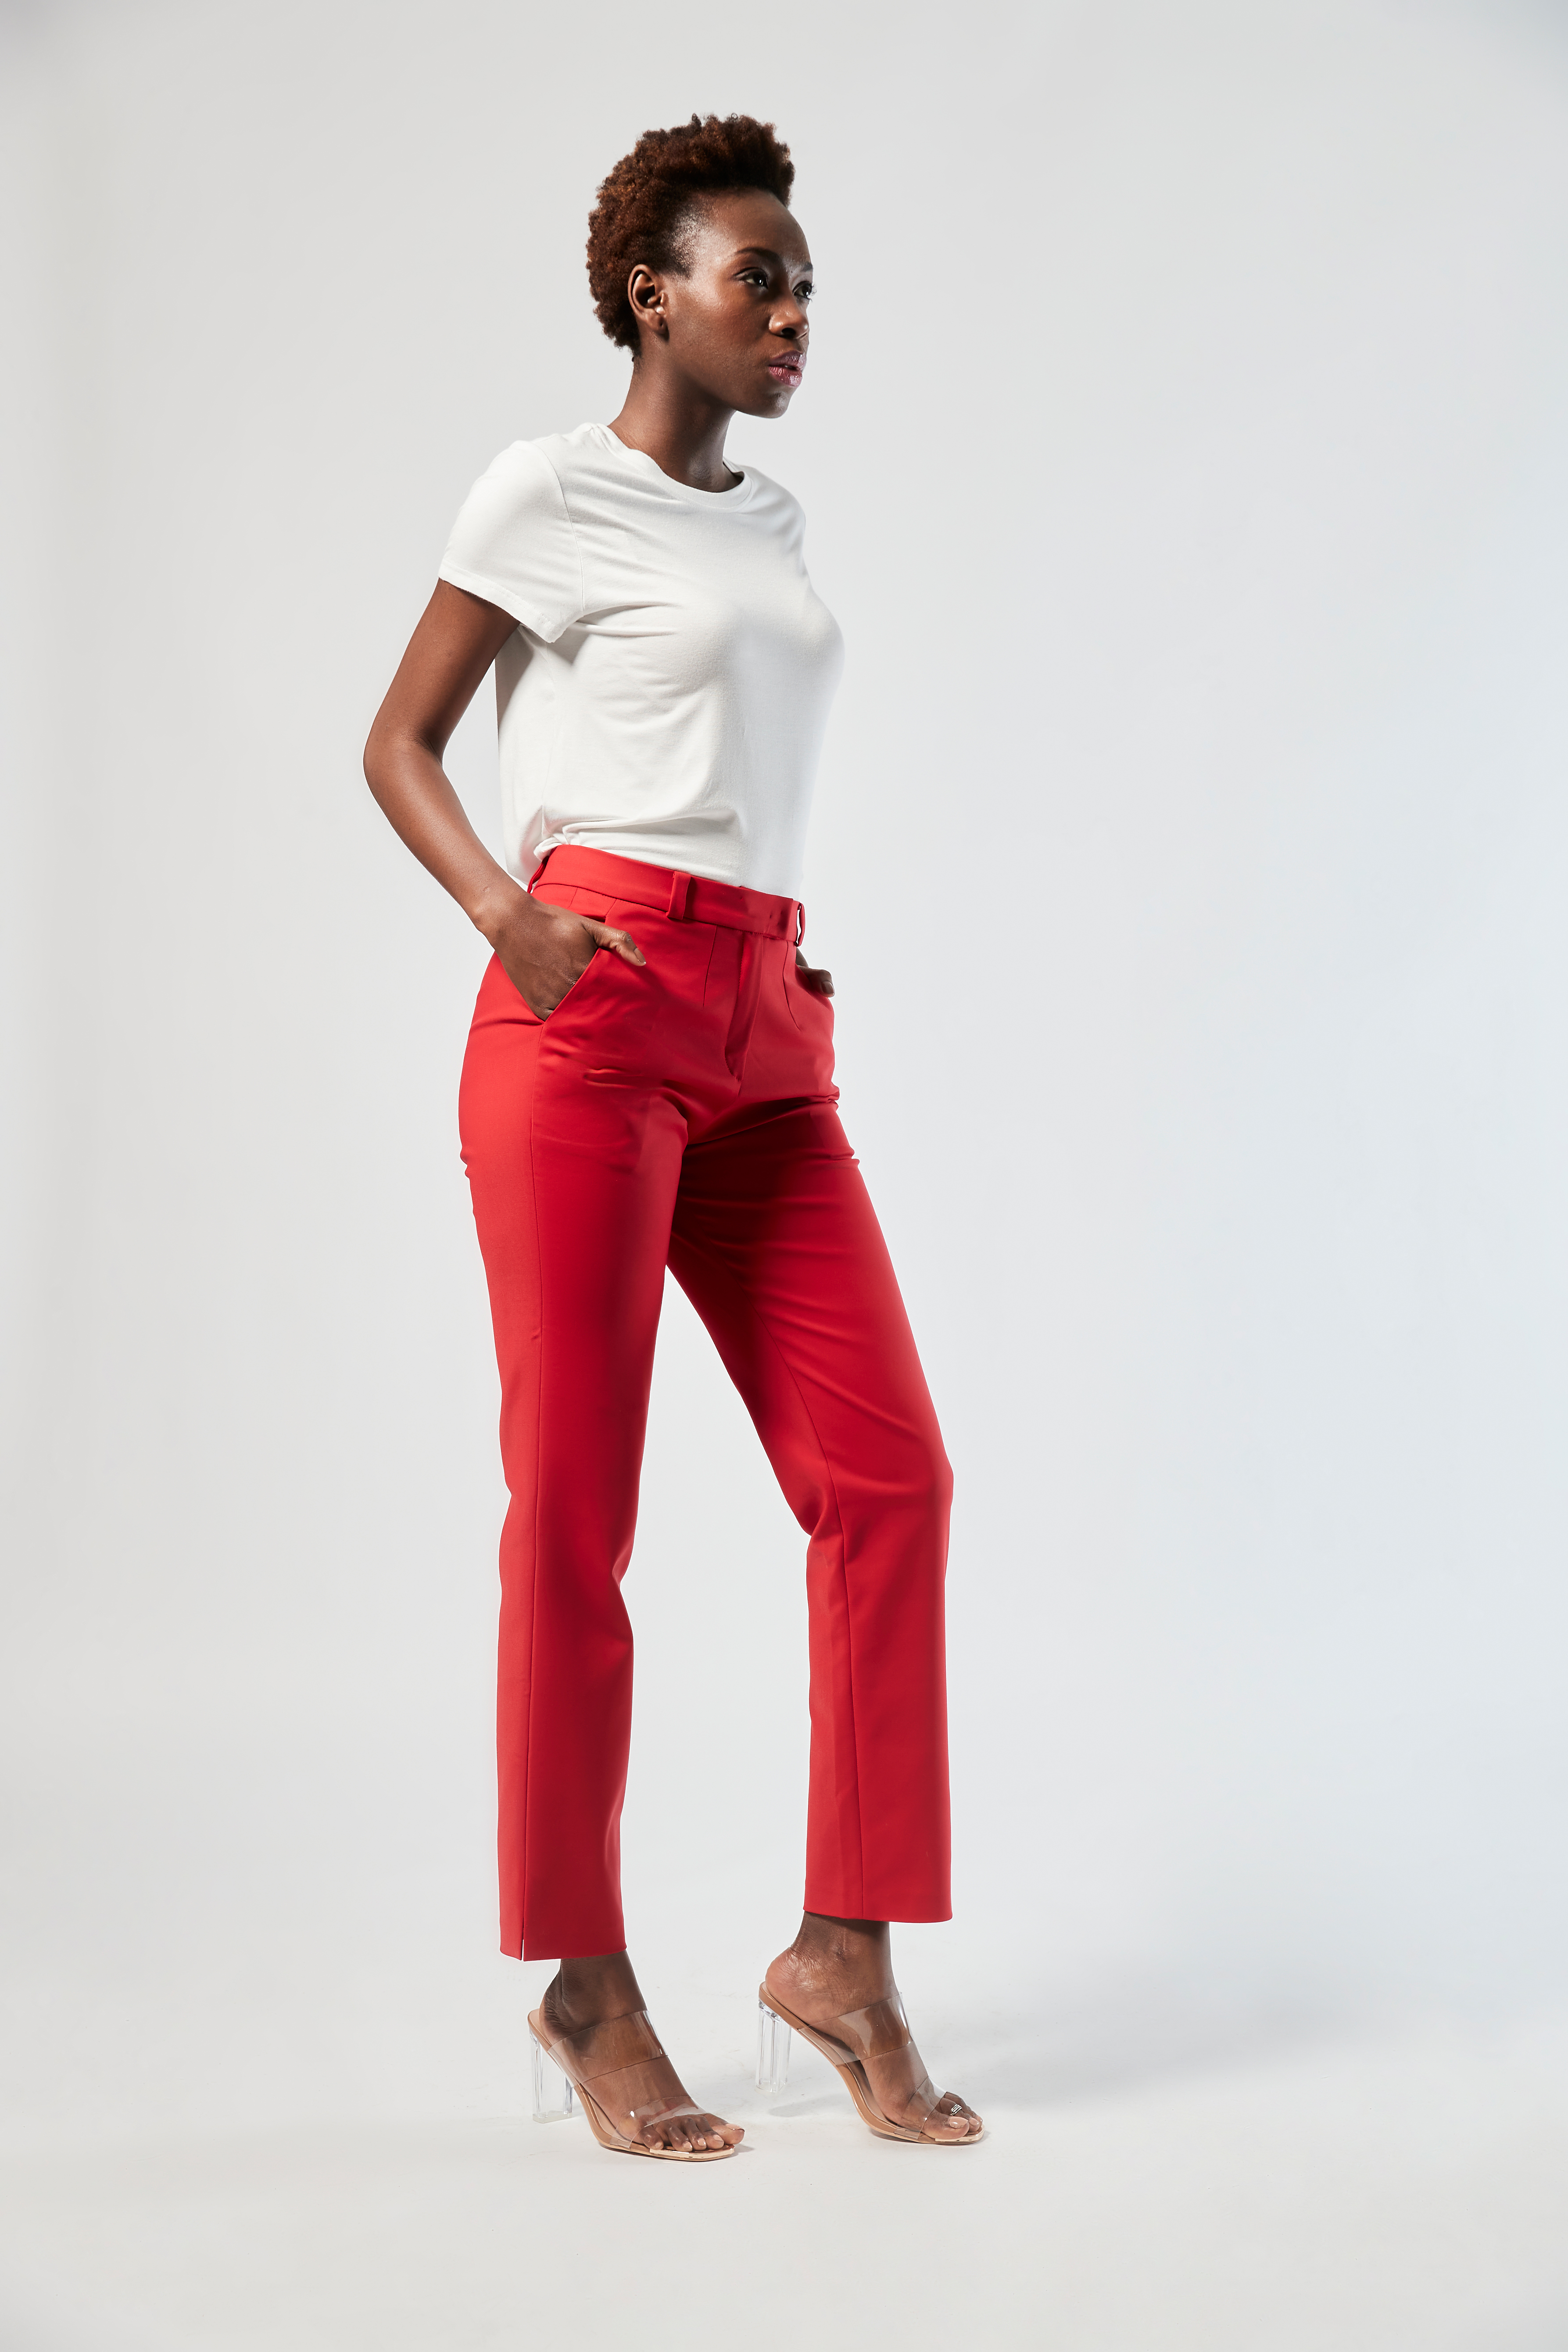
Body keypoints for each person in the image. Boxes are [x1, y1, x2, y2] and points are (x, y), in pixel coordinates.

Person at [363, 112, 981, 2159]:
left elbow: (743, 764)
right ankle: (584, 1978)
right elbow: (399, 736)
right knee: (578, 1509)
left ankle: (844, 1952)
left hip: (767, 1027)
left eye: (806, 289)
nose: (792, 316)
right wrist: (512, 916)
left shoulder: (773, 521)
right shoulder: (544, 490)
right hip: (592, 1016)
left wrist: (770, 958)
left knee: (889, 1476)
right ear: (654, 294)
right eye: (757, 280)